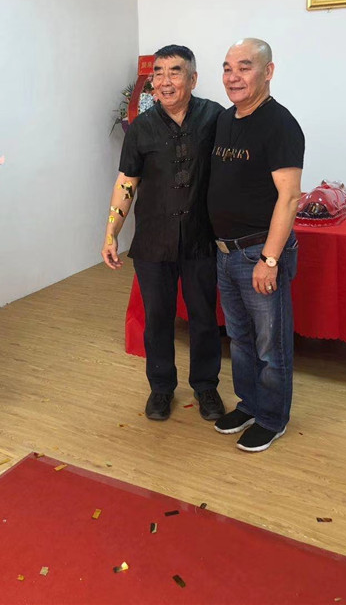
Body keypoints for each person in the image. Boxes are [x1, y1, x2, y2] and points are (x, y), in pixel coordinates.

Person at [102, 45, 225, 422]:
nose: (165, 81)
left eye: (175, 72)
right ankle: (160, 387)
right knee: (157, 318)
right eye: (158, 72)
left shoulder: (215, 118)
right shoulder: (141, 127)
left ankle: (206, 386)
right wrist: (111, 232)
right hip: (154, 239)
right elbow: (127, 181)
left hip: (202, 238)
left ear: (193, 78)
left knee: (204, 318)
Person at [207, 38, 304, 452]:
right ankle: (249, 404)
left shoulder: (279, 124)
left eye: (244, 67)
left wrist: (270, 259)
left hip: (258, 253)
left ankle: (272, 418)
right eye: (227, 68)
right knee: (240, 339)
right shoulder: (225, 119)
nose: (233, 77)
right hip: (226, 253)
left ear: (268, 72)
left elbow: (289, 197)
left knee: (270, 344)